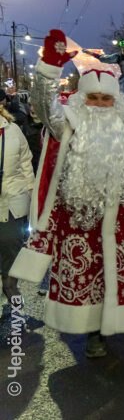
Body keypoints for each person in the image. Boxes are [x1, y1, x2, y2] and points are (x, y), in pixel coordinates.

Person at [10, 29, 124, 359]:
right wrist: (50, 68)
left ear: (116, 102)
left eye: (106, 99)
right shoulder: (69, 125)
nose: (99, 105)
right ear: (83, 100)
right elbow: (43, 103)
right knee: (90, 280)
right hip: (80, 222)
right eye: (93, 98)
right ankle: (95, 335)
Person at [0, 103, 34, 304]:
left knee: (11, 242)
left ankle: (10, 285)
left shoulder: (12, 130)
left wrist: (30, 193)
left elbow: (25, 162)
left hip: (12, 196)